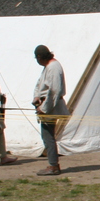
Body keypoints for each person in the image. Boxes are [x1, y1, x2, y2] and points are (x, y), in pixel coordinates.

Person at [32, 44, 68, 176]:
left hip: (50, 107)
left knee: (48, 136)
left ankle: (53, 166)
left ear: (40, 57)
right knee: (47, 136)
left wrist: (44, 108)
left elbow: (54, 91)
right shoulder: (48, 66)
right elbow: (40, 84)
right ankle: (53, 164)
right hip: (46, 105)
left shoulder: (53, 67)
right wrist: (36, 97)